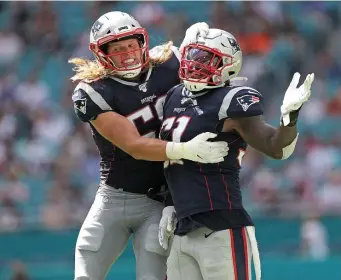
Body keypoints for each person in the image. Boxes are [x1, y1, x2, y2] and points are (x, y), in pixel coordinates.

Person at [69, 12, 228, 280]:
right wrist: (185, 149)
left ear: (142, 41)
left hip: (160, 199)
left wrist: (205, 56)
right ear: (102, 53)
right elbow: (134, 145)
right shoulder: (94, 92)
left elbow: (208, 87)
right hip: (115, 198)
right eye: (117, 49)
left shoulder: (172, 64)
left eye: (131, 44)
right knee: (86, 274)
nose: (127, 53)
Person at [159, 28, 314, 280]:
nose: (196, 63)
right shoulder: (174, 97)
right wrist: (169, 203)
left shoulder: (232, 98)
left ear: (228, 65)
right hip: (181, 227)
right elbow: (171, 160)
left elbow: (277, 148)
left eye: (206, 58)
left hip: (220, 225)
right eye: (194, 55)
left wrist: (289, 118)